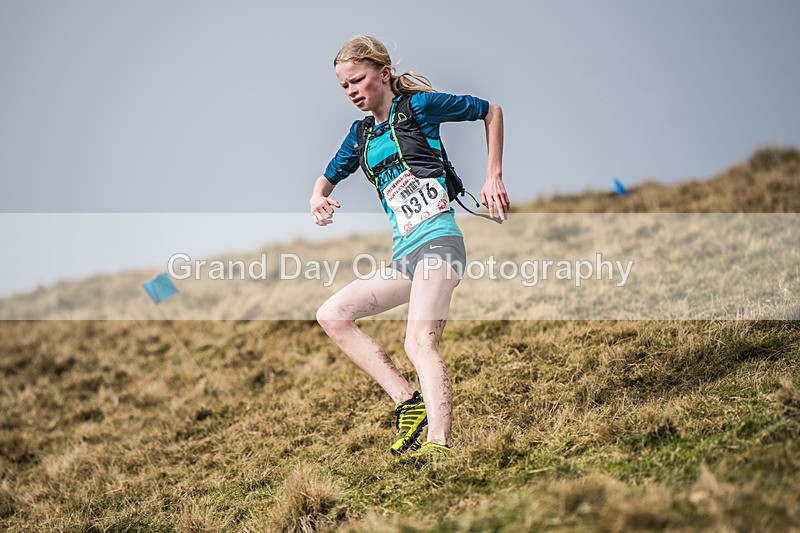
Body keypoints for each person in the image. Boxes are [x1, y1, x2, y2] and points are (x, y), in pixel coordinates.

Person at [310, 35, 508, 458]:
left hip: (440, 242)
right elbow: (328, 176)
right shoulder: (360, 135)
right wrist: (318, 197)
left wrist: (493, 176)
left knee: (419, 342)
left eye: (358, 81)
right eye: (344, 86)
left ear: (383, 74)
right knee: (332, 315)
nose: (352, 92)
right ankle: (408, 402)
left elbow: (491, 111)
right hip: (406, 258)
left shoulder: (418, 107)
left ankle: (438, 445)